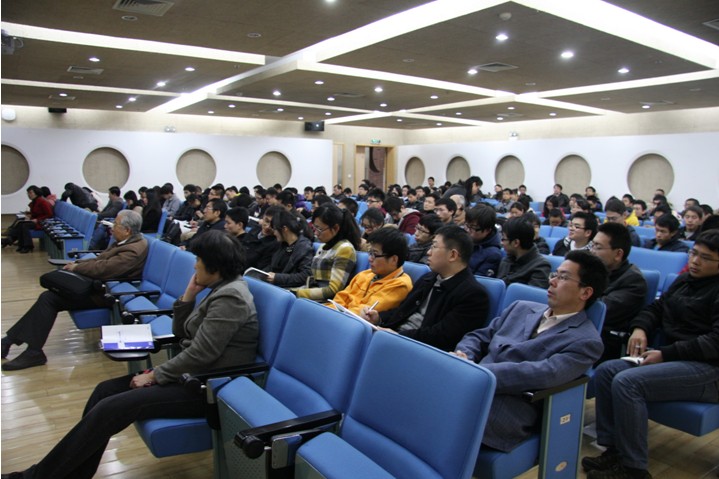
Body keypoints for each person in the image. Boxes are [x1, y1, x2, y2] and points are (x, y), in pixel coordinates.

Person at [1, 230, 258, 478]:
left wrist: (154, 375)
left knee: (110, 408)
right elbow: (181, 333)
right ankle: (73, 473)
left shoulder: (231, 297)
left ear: (214, 265)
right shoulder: (218, 289)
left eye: (199, 260)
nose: (194, 265)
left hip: (206, 387)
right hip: (190, 375)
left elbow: (202, 353)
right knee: (103, 391)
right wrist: (188, 296)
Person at [582, 230, 719, 479]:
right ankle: (614, 449)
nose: (695, 261)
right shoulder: (685, 281)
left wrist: (665, 354)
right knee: (606, 371)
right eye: (694, 253)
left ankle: (633, 469)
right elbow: (656, 308)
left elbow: (714, 343)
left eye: (706, 258)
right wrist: (640, 328)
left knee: (628, 382)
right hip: (677, 358)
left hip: (708, 368)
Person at [454, 250, 607, 452]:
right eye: (555, 274)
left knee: (435, 413)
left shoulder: (586, 341)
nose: (552, 281)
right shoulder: (520, 307)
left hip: (504, 408)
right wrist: (463, 355)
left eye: (563, 278)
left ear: (585, 293)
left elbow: (543, 374)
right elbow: (479, 336)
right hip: (469, 382)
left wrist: (476, 373)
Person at [1, 210, 149, 370]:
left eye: (116, 224)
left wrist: (77, 268)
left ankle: (24, 348)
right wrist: (79, 264)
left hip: (105, 294)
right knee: (48, 297)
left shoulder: (133, 249)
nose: (112, 227)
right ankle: (19, 345)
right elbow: (100, 260)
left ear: (127, 230)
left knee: (49, 298)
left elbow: (104, 268)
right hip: (97, 287)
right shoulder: (125, 242)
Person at [361, 225, 489, 352]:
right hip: (395, 338)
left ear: (453, 255)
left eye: (434, 247)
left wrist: (398, 336)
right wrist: (379, 318)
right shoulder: (428, 278)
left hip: (420, 351)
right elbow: (401, 311)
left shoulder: (473, 295)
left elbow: (442, 336)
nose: (428, 252)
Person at [591, 222, 647, 363]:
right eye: (592, 245)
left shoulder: (634, 281)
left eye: (598, 247)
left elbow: (599, 311)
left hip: (603, 341)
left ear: (618, 254)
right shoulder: (596, 270)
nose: (592, 251)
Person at [331, 228, 412, 315]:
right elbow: (340, 299)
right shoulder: (365, 274)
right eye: (370, 253)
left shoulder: (400, 285)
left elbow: (365, 312)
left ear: (393, 259)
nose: (370, 259)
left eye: (375, 254)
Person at [296, 204, 360, 301]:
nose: (316, 233)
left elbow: (333, 290)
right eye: (315, 228)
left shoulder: (345, 249)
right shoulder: (323, 246)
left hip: (327, 302)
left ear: (336, 228)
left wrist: (298, 293)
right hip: (312, 295)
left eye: (320, 229)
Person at [497, 216, 551, 289]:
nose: (501, 243)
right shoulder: (507, 259)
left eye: (503, 239)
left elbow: (529, 295)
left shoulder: (540, 267)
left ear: (516, 243)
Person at [265, 209, 314, 288]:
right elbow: (272, 267)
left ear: (285, 229)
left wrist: (278, 278)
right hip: (275, 286)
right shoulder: (282, 245)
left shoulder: (304, 247)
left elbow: (305, 276)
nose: (274, 233)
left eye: (275, 229)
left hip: (288, 289)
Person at [2, 185, 54, 253]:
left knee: (24, 226)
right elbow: (36, 213)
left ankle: (26, 245)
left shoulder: (42, 201)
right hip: (37, 221)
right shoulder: (35, 201)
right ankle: (19, 244)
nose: (29, 195)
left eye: (30, 193)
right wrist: (30, 216)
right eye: (28, 193)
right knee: (20, 224)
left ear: (36, 192)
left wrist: (37, 219)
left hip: (42, 222)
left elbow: (49, 214)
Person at [465, 205, 502, 277]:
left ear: (487, 230)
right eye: (467, 225)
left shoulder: (493, 255)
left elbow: (479, 280)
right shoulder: (464, 240)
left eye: (473, 227)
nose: (468, 230)